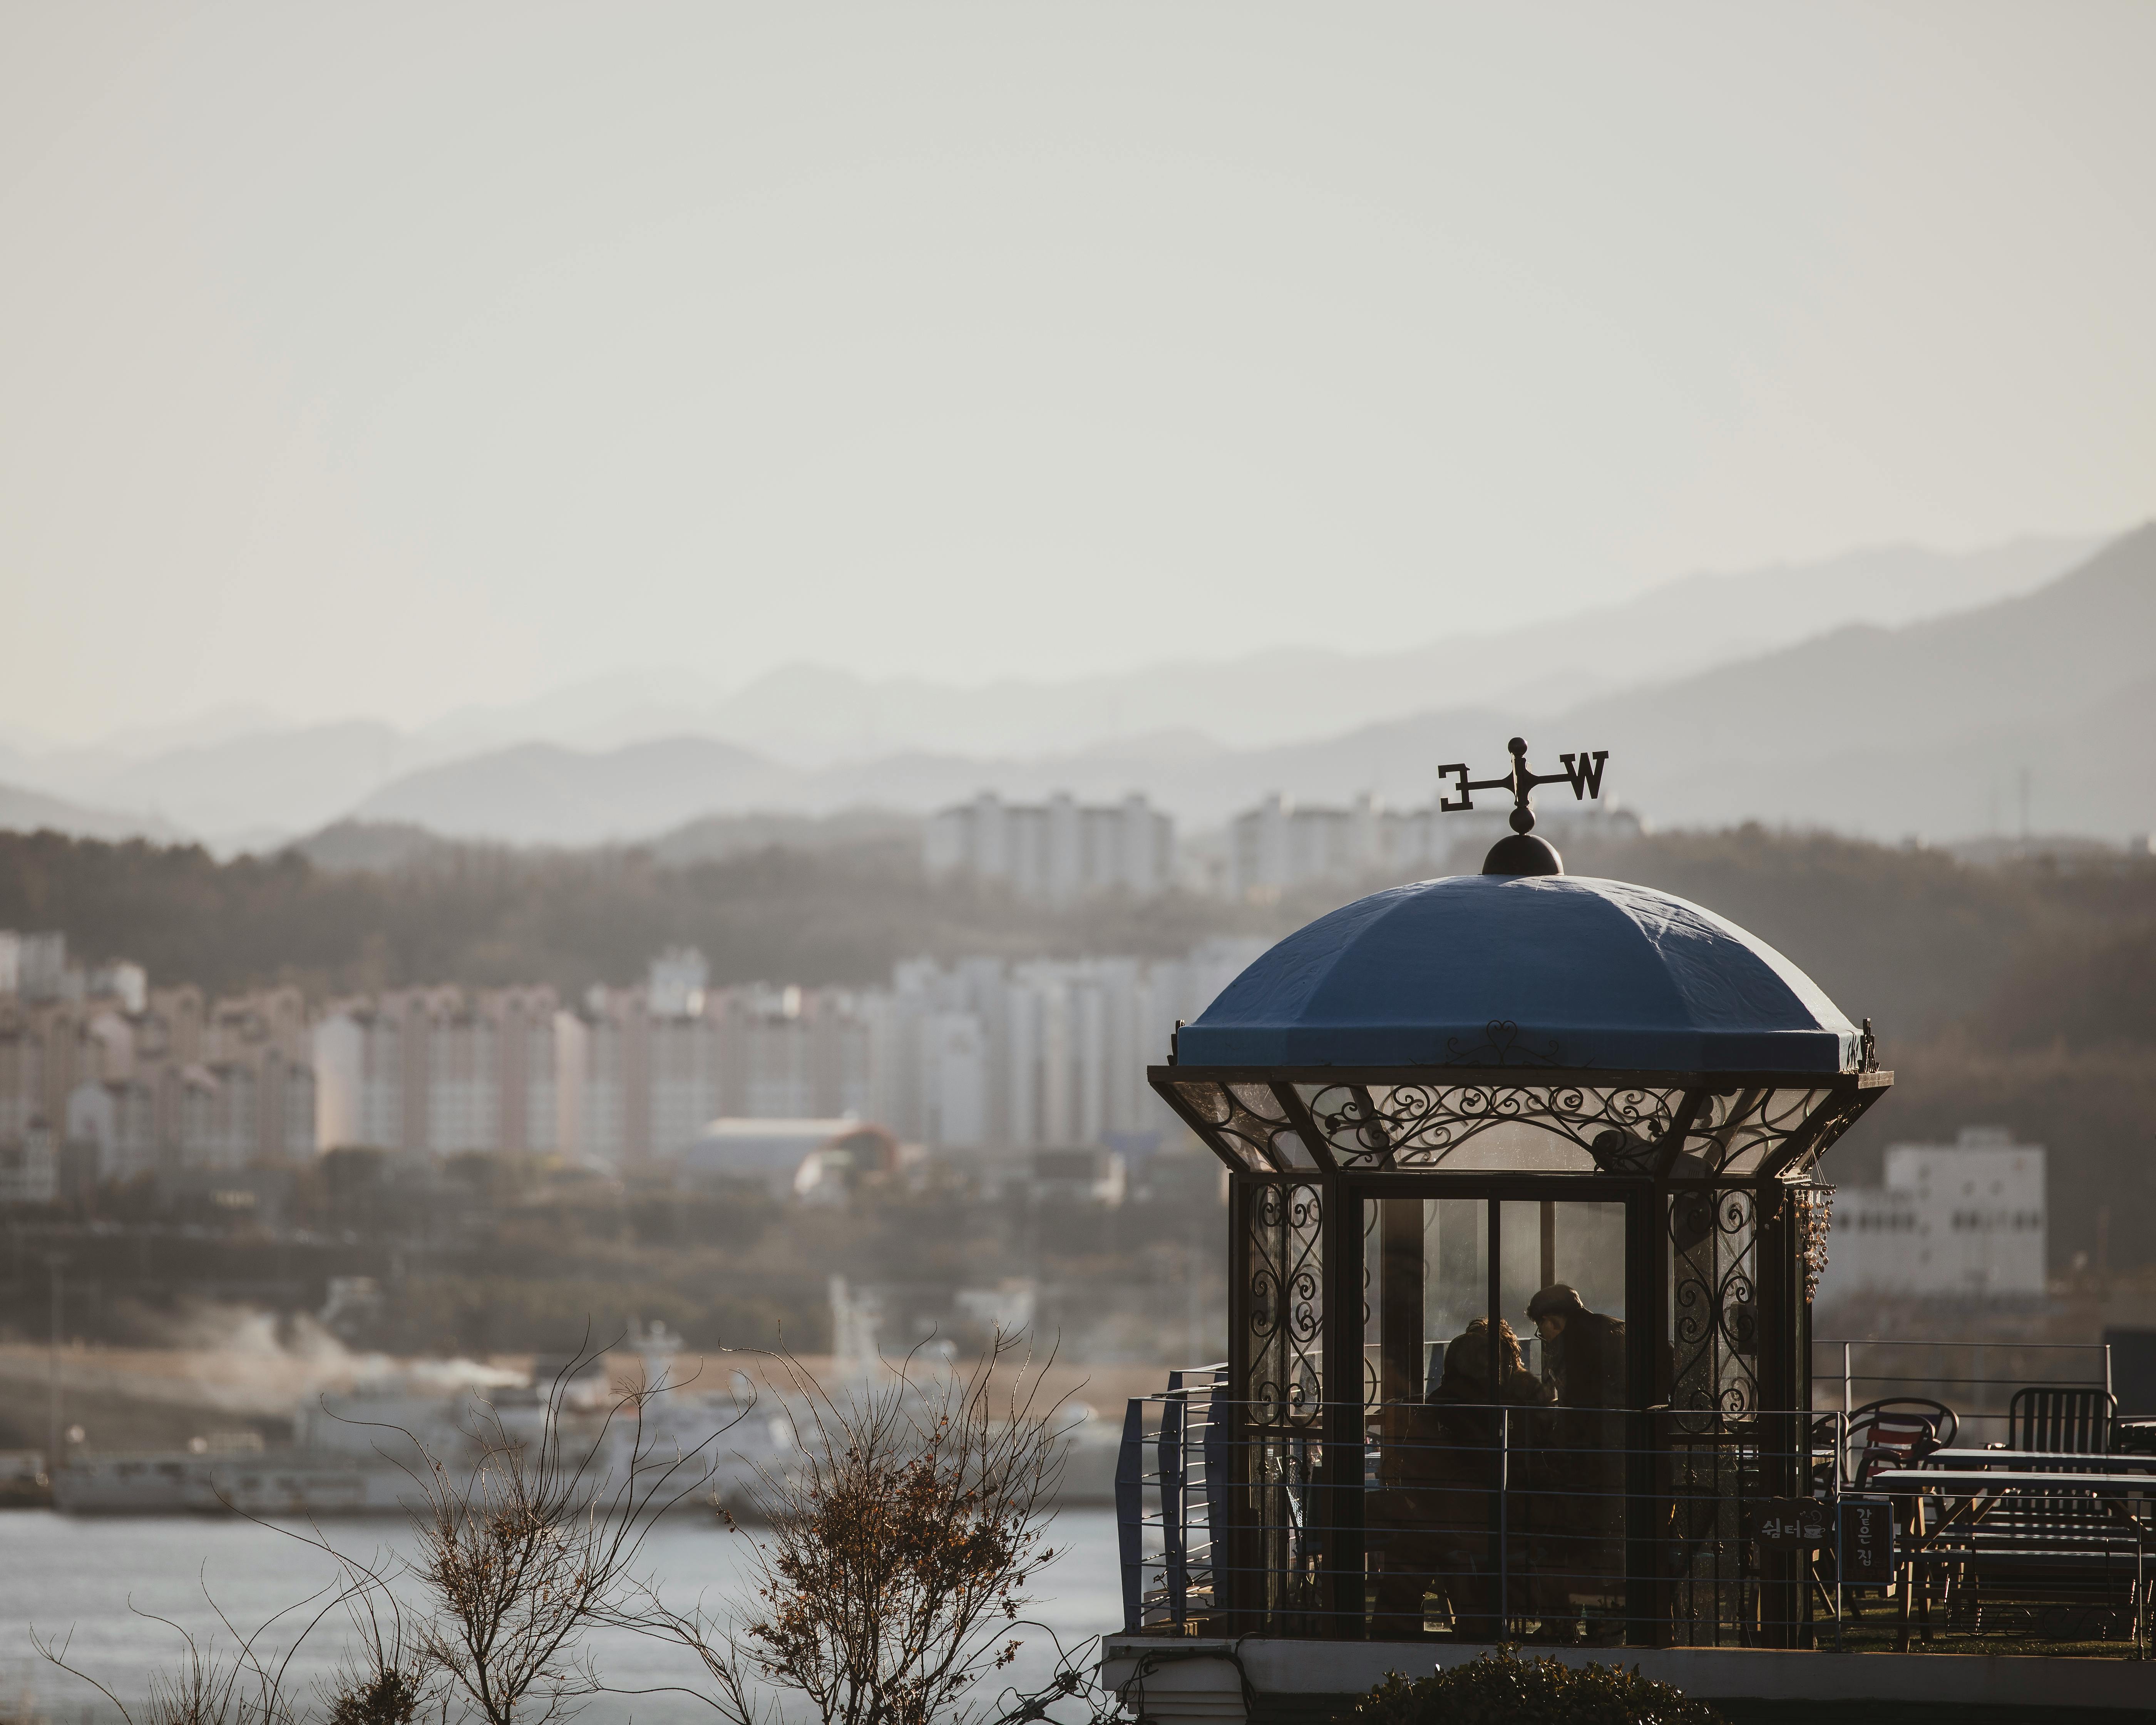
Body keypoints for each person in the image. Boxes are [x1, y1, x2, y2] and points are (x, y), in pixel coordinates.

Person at [1525, 1285, 1629, 1633]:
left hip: (1591, 1461)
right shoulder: (1617, 1329)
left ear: (1552, 1319)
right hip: (1623, 1457)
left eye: (1543, 1330)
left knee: (1579, 1545)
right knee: (1613, 1548)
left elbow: (1579, 1409)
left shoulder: (1576, 1345)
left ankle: (1569, 1622)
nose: (1545, 1338)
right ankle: (1609, 1621)